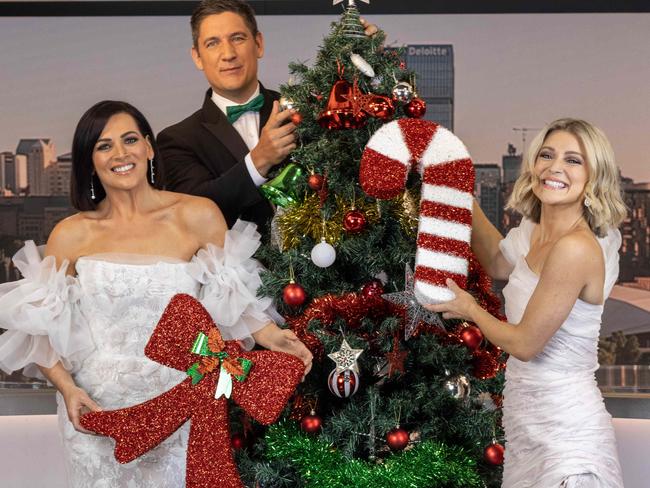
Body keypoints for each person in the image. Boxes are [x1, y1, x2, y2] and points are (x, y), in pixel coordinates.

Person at [0, 100, 312, 487]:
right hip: (99, 413)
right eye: (103, 145)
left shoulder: (198, 215)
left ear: (149, 147)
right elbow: (39, 327)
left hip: (185, 405)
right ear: (89, 163)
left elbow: (232, 298)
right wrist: (67, 389)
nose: (120, 153)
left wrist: (272, 336)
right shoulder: (71, 233)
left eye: (129, 139)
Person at [427, 118, 626, 488]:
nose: (554, 168)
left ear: (593, 177)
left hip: (567, 437)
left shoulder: (575, 248)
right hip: (525, 429)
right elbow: (496, 262)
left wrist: (470, 309)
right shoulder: (535, 234)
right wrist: (462, 198)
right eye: (547, 155)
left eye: (573, 160)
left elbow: (525, 344)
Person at [158, 0, 378, 232]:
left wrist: (367, 73)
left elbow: (354, 170)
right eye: (213, 43)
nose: (228, 54)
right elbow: (193, 214)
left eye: (238, 38)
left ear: (259, 44)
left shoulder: (307, 111)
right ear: (198, 57)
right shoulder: (177, 140)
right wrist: (258, 161)